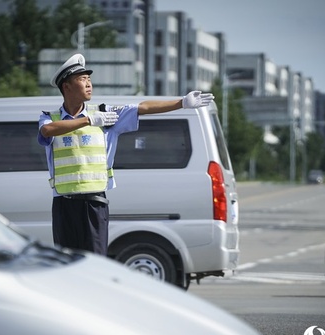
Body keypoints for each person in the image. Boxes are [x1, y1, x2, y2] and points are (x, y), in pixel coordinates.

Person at [38, 53, 214, 255]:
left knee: (95, 265)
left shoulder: (106, 113)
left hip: (94, 203)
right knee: (66, 265)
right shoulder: (49, 117)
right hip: (63, 205)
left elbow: (142, 108)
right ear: (66, 86)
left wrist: (181, 103)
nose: (89, 84)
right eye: (82, 79)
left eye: (89, 79)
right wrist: (88, 121)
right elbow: (47, 131)